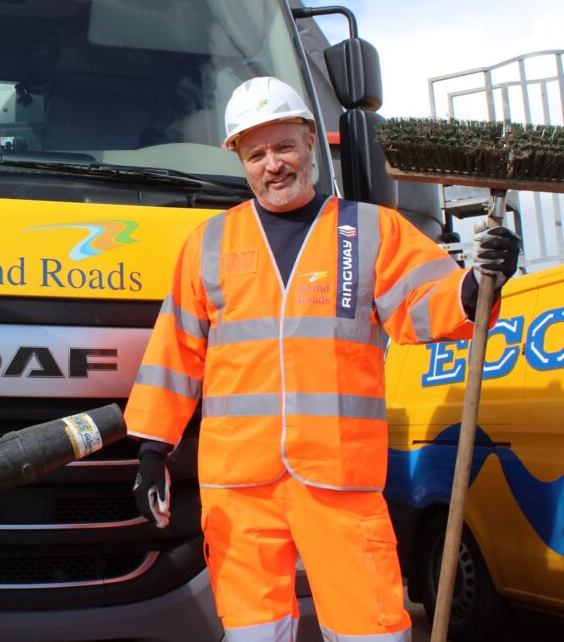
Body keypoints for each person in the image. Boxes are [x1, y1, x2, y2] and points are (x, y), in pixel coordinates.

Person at [124, 76, 520, 642]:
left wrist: (480, 282)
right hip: (238, 485)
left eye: (283, 146)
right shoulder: (207, 243)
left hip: (338, 478)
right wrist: (152, 449)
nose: (272, 165)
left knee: (372, 631)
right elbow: (175, 352)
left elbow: (428, 303)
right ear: (239, 157)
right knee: (254, 634)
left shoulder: (370, 229)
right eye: (255, 153)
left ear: (311, 140)